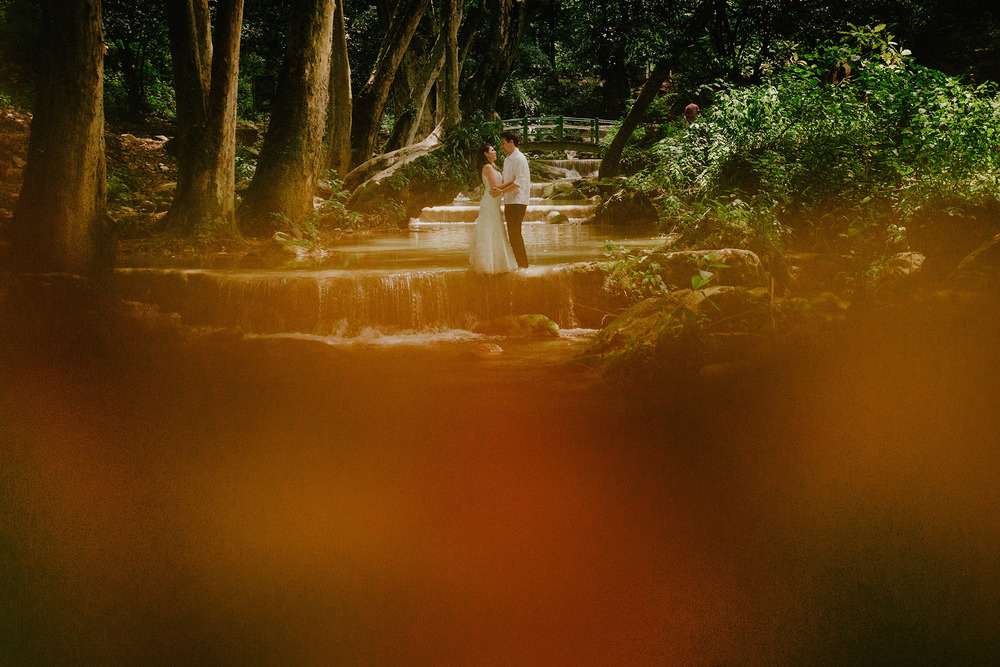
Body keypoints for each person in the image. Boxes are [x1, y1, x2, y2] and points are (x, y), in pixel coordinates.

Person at [468, 143, 519, 274]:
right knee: (490, 229)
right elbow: (496, 187)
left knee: (496, 229)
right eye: (492, 150)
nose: (495, 151)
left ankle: (498, 263)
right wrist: (514, 181)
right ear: (486, 154)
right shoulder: (488, 167)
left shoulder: (494, 166)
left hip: (495, 201)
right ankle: (488, 264)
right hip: (490, 201)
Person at [493, 131, 531, 268]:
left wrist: (501, 191)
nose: (501, 146)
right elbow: (509, 180)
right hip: (510, 200)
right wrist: (499, 189)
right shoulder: (508, 159)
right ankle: (519, 263)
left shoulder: (519, 158)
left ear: (511, 142)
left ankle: (523, 264)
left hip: (518, 200)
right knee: (512, 234)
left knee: (515, 234)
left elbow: (519, 182)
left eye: (503, 143)